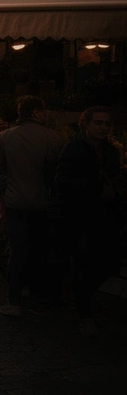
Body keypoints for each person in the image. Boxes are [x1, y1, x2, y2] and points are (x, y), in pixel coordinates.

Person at [0, 96, 64, 318]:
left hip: (16, 203)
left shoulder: (5, 136)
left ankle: (14, 298)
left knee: (18, 249)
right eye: (43, 110)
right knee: (42, 249)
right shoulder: (56, 138)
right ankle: (40, 295)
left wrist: (8, 189)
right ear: (36, 112)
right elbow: (58, 174)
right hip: (45, 203)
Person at [52, 106, 123, 336]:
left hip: (104, 217)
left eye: (106, 123)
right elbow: (62, 181)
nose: (103, 127)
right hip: (78, 216)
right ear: (86, 124)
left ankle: (80, 295)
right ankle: (85, 314)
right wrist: (96, 189)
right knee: (83, 262)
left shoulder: (111, 151)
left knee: (109, 262)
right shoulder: (74, 148)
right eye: (98, 123)